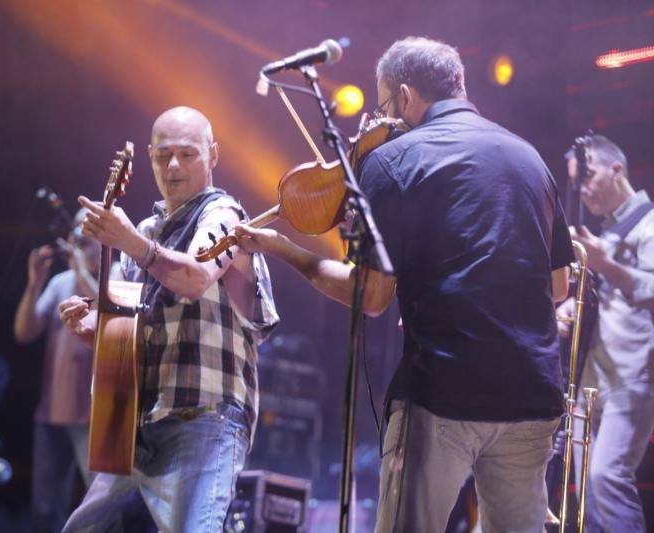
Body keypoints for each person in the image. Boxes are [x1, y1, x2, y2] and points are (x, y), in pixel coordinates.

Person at [235, 37, 572, 532]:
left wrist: (284, 249)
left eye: (383, 104)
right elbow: (558, 285)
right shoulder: (529, 160)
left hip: (443, 389)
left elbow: (371, 298)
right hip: (531, 395)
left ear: (406, 96)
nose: (381, 118)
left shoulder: (393, 161)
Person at [57, 106, 279, 532]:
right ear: (149, 157)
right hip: (140, 424)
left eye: (187, 154)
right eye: (163, 156)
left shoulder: (225, 215)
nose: (173, 165)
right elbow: (129, 335)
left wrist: (131, 242)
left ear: (213, 155)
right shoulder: (145, 230)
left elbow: (195, 277)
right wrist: (92, 332)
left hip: (205, 417)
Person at [557, 134, 654, 532]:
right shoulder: (606, 234)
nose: (582, 190)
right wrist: (568, 308)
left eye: (588, 176)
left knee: (607, 479)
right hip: (591, 380)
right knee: (588, 499)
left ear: (617, 169)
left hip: (631, 377)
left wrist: (606, 265)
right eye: (576, 181)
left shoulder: (649, 225)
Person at [13, 211, 101, 533]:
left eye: (87, 240)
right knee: (45, 509)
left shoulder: (118, 276)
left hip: (94, 418)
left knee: (98, 505)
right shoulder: (60, 283)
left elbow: (112, 316)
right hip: (51, 414)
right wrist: (34, 283)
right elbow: (24, 332)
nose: (79, 246)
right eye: (76, 239)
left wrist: (81, 271)